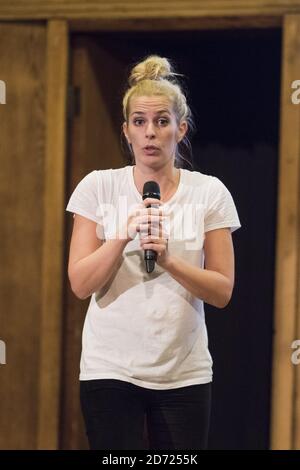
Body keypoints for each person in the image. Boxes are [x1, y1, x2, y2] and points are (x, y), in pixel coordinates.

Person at [65, 55, 242, 450]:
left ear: (181, 129)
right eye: (140, 122)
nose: (150, 133)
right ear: (126, 130)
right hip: (109, 369)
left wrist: (169, 260)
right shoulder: (98, 188)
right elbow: (80, 283)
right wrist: (122, 236)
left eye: (162, 121)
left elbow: (222, 290)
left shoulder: (209, 193)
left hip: (184, 373)